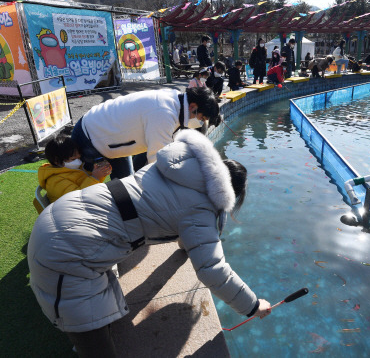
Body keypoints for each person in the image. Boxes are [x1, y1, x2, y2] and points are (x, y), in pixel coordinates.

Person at [27, 129, 273, 358]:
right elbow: (214, 271)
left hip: (63, 212)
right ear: (232, 194)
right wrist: (253, 306)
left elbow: (168, 209)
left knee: (103, 303)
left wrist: (189, 244)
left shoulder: (176, 166)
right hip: (65, 248)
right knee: (94, 338)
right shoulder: (201, 210)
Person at [71, 87, 221, 180]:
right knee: (85, 187)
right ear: (193, 106)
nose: (200, 123)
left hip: (110, 136)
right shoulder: (164, 113)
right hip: (91, 137)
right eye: (201, 118)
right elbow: (158, 160)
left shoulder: (175, 101)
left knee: (125, 185)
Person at [38, 134, 111, 204]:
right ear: (56, 161)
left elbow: (91, 185)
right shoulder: (55, 181)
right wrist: (95, 177)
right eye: (73, 159)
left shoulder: (73, 168)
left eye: (79, 158)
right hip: (73, 212)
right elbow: (77, 198)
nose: (78, 161)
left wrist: (101, 173)